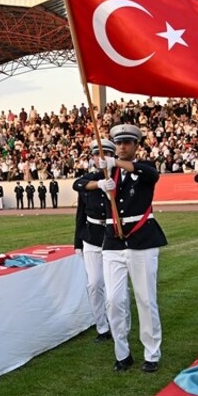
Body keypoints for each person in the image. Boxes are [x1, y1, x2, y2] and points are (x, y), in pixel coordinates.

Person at [95, 124, 167, 373]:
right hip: (113, 241)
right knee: (114, 300)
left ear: (137, 145)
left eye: (127, 142)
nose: (123, 146)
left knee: (146, 299)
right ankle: (122, 352)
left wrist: (114, 163)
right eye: (119, 142)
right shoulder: (107, 172)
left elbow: (149, 174)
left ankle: (152, 353)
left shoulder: (145, 169)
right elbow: (83, 186)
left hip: (142, 240)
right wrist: (100, 184)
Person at [72, 140, 119, 344]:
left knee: (114, 287)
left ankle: (116, 322)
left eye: (106, 154)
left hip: (112, 236)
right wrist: (77, 243)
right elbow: (80, 214)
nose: (100, 159)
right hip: (91, 236)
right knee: (95, 283)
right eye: (97, 155)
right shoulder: (88, 181)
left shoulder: (119, 179)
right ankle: (101, 326)